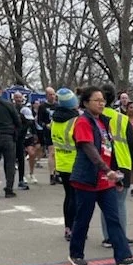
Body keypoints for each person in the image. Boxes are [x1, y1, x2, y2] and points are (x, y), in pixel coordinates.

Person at [67, 86, 133, 265]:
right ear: (85, 103)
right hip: (87, 179)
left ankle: (123, 257)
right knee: (83, 219)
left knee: (113, 218)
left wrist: (114, 175)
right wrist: (106, 170)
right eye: (96, 100)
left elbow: (108, 149)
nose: (101, 103)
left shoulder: (103, 122)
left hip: (105, 181)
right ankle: (76, 254)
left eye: (103, 100)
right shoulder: (83, 122)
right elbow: (89, 148)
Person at [99, 82, 133, 247]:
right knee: (119, 203)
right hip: (123, 162)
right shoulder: (122, 118)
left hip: (103, 163)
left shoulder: (94, 115)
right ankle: (120, 235)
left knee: (106, 202)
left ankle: (107, 237)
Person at [50, 88, 81, 241]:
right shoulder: (75, 121)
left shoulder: (54, 120)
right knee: (75, 198)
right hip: (75, 162)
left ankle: (68, 228)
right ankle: (75, 228)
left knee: (68, 196)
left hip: (61, 162)